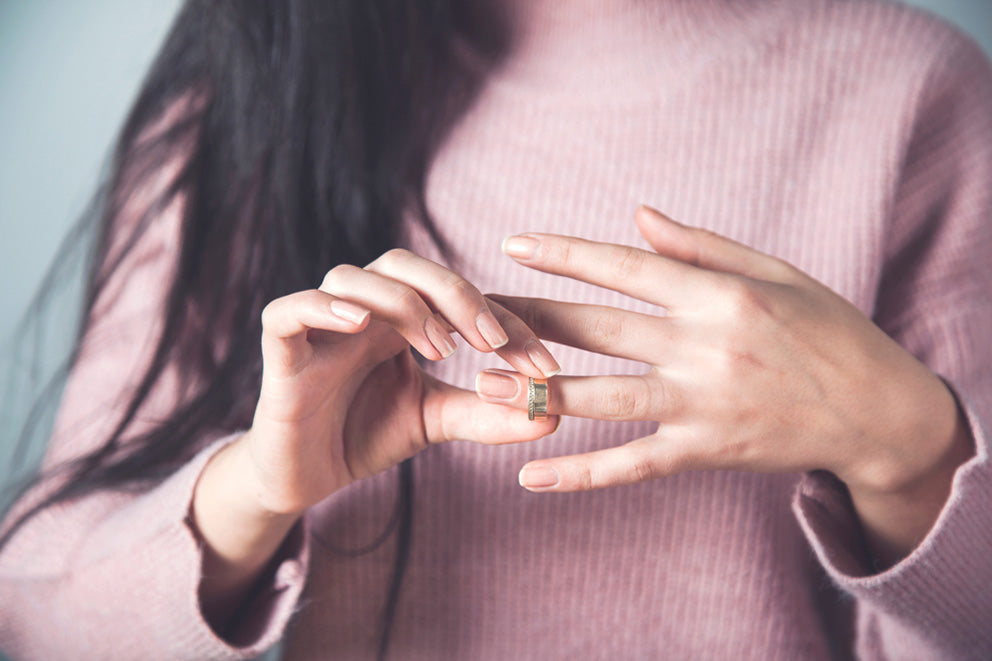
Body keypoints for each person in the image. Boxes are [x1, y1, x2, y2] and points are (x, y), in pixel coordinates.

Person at [1, 0, 990, 658]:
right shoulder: (252, 103)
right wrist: (256, 491)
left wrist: (907, 456)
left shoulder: (906, 92)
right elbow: (36, 619)